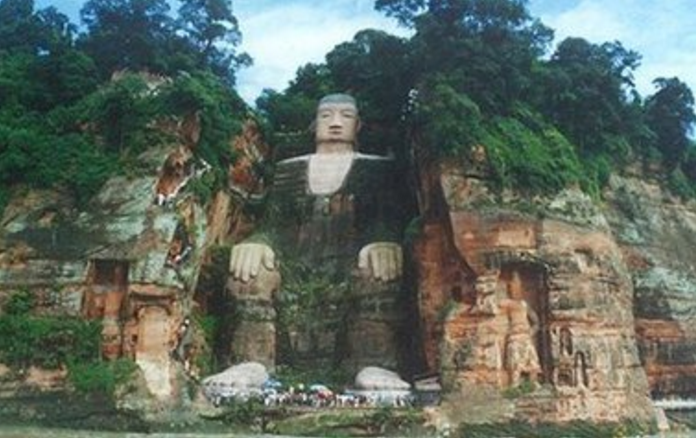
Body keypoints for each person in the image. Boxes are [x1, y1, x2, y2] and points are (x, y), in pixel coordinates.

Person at [228, 93, 406, 370]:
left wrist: (384, 240)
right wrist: (259, 242)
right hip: (294, 267)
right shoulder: (288, 170)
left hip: (351, 265)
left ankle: (375, 364)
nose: (335, 123)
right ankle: (252, 362)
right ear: (314, 124)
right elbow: (273, 225)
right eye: (326, 115)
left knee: (380, 266)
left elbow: (385, 219)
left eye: (345, 116)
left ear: (358, 125)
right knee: (249, 270)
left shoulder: (376, 167)